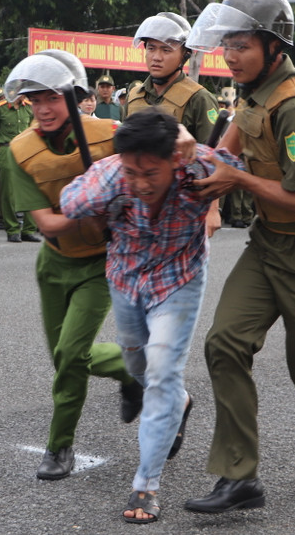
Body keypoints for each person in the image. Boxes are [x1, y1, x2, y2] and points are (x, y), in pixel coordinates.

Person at [183, 0, 295, 513]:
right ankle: (239, 476)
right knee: (225, 343)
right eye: (226, 44)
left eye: (241, 45)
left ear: (273, 46)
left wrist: (235, 182)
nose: (230, 55)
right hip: (269, 245)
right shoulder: (255, 92)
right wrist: (178, 164)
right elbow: (223, 155)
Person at [61, 109, 243, 523]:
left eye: (150, 173)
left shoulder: (196, 167)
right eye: (132, 172)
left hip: (180, 278)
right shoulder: (110, 176)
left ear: (173, 160)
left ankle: (146, 484)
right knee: (137, 365)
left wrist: (206, 177)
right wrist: (94, 201)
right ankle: (180, 401)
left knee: (161, 372)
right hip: (125, 277)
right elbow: (70, 201)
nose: (140, 183)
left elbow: (237, 166)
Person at [1, 50, 141, 481]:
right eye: (34, 99)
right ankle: (138, 370)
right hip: (54, 262)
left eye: (52, 98)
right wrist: (91, 207)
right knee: (63, 357)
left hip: (101, 264)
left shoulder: (112, 134)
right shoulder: (19, 150)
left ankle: (59, 446)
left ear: (75, 97)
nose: (43, 108)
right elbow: (47, 223)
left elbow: (153, 166)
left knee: (71, 355)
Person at [125, 12, 219, 144]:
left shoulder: (199, 99)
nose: (156, 57)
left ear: (185, 55)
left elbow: (211, 153)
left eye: (166, 50)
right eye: (151, 48)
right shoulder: (133, 96)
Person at [0, 85, 39, 242]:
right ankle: (12, 229)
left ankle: (29, 230)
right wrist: (1, 150)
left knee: (30, 190)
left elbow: (33, 129)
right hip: (7, 149)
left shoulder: (29, 107)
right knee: (8, 193)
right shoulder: (0, 108)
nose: (24, 94)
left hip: (26, 151)